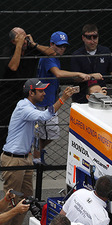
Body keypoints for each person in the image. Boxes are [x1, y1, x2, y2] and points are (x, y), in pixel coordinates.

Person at [0, 78, 77, 225]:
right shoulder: (24, 107)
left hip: (24, 157)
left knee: (25, 196)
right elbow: (45, 116)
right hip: (14, 159)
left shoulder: (29, 107)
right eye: (40, 91)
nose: (44, 93)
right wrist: (63, 98)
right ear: (31, 93)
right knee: (11, 198)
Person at [0, 27, 55, 153]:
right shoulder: (8, 50)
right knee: (6, 129)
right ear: (13, 41)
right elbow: (13, 66)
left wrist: (34, 44)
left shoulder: (32, 49)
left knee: (27, 127)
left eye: (25, 37)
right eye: (20, 37)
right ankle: (4, 157)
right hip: (8, 97)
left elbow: (52, 53)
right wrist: (18, 46)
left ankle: (25, 153)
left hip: (26, 97)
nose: (25, 40)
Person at [35, 31, 91, 164]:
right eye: (59, 46)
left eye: (64, 46)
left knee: (49, 133)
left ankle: (36, 153)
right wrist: (79, 73)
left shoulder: (54, 58)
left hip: (50, 101)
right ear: (51, 44)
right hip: (44, 102)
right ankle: (36, 158)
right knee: (44, 133)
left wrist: (89, 75)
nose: (62, 49)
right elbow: (58, 74)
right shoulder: (48, 58)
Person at [69, 23, 112, 103]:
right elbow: (75, 78)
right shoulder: (77, 54)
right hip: (81, 96)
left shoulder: (105, 51)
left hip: (101, 94)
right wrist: (91, 76)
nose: (92, 41)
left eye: (95, 37)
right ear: (83, 38)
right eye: (89, 38)